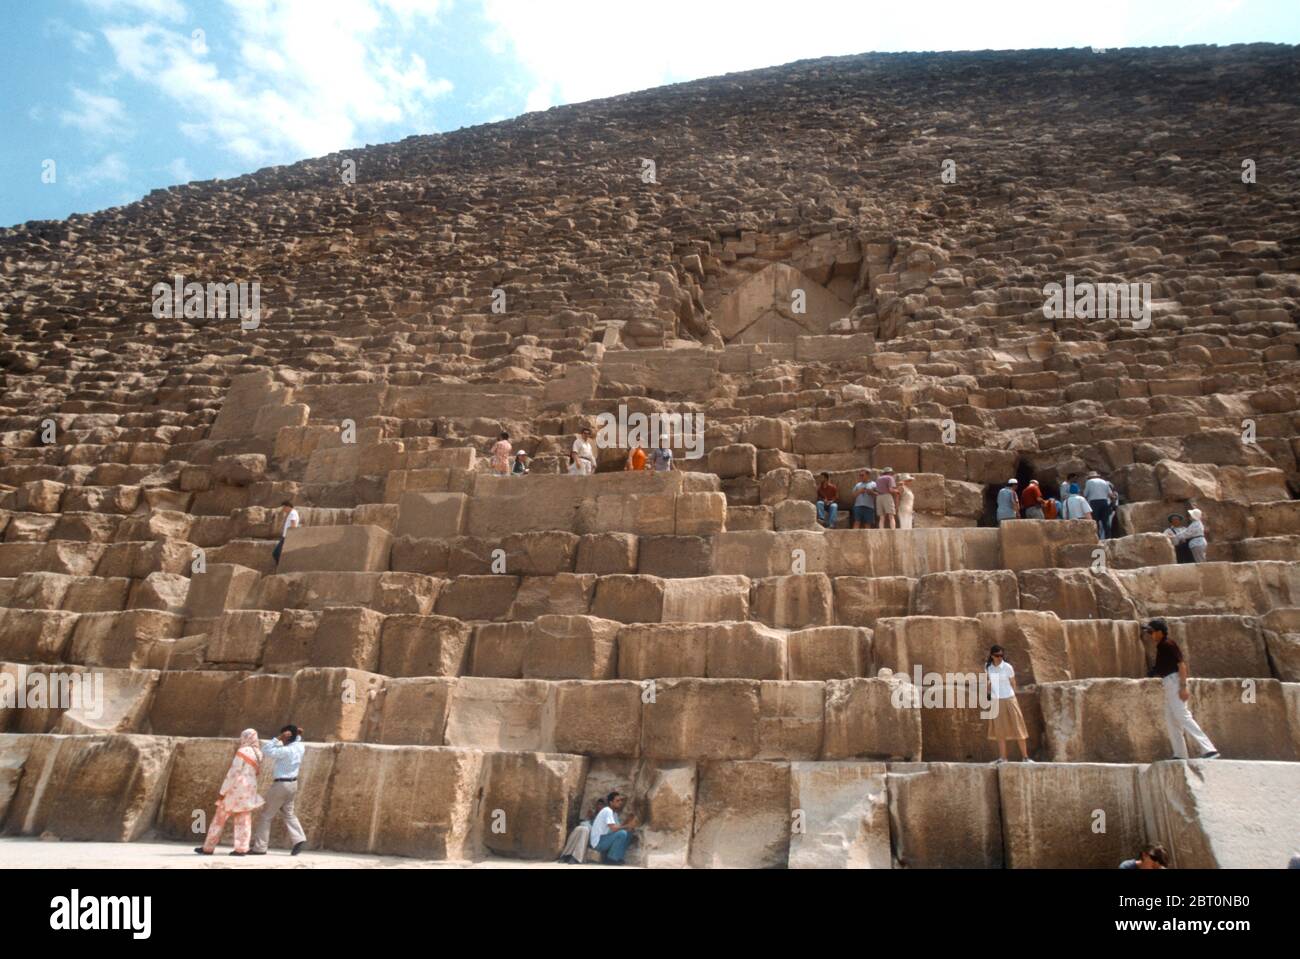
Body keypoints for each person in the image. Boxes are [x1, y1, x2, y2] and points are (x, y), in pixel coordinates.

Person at [1142, 618, 1219, 761]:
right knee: (1171, 719)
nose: (1150, 635)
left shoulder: (1168, 644)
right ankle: (1180, 754)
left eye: (1151, 632)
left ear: (1159, 632)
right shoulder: (1161, 646)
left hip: (1175, 682)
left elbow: (1181, 665)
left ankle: (1209, 748)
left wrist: (1183, 687)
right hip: (1168, 683)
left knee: (1183, 716)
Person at [195, 729, 265, 856]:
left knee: (219, 818)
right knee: (244, 821)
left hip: (235, 789)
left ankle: (208, 847)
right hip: (249, 789)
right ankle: (242, 849)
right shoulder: (258, 753)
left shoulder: (242, 751)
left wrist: (223, 791)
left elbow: (233, 772)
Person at [249, 724, 308, 856]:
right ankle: (299, 839)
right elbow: (297, 739)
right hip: (293, 785)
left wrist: (278, 738)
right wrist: (297, 734)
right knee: (289, 814)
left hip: (281, 785)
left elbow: (266, 750)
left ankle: (260, 848)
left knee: (266, 816)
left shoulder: (285, 751)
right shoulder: (300, 746)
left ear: (287, 737)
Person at [984, 645, 1033, 763]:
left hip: (1009, 697)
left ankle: (1025, 757)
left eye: (1001, 655)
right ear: (992, 656)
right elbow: (989, 681)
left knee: (1018, 726)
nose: (1000, 658)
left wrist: (1012, 696)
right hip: (997, 700)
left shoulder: (1007, 667)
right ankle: (1003, 757)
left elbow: (1013, 682)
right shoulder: (988, 667)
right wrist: (988, 692)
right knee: (1000, 730)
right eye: (997, 655)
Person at [589, 790, 638, 865]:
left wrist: (627, 821)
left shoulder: (613, 813)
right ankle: (611, 859)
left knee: (628, 834)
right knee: (622, 834)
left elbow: (618, 827)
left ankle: (618, 857)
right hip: (598, 842)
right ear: (611, 802)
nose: (620, 802)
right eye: (617, 801)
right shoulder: (607, 810)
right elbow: (614, 829)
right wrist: (628, 825)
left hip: (605, 838)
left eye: (620, 800)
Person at [558, 798, 606, 864]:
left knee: (584, 830)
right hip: (587, 829)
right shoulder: (594, 814)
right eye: (598, 804)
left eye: (601, 805)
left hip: (595, 836)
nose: (599, 806)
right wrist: (589, 817)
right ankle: (566, 854)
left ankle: (577, 857)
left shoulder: (606, 815)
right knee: (578, 828)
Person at [1083, 470, 1113, 540]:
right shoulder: (1104, 482)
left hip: (1094, 502)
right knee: (1106, 521)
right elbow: (1110, 494)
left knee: (1095, 521)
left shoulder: (1089, 482)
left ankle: (1097, 538)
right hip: (1104, 501)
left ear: (1090, 477)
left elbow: (1085, 494)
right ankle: (1109, 537)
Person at [271, 500, 300, 564]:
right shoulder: (292, 513)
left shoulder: (293, 513)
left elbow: (293, 525)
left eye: (284, 508)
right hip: (286, 537)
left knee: (276, 553)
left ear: (287, 507)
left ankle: (280, 565)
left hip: (287, 537)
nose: (283, 510)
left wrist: (290, 537)